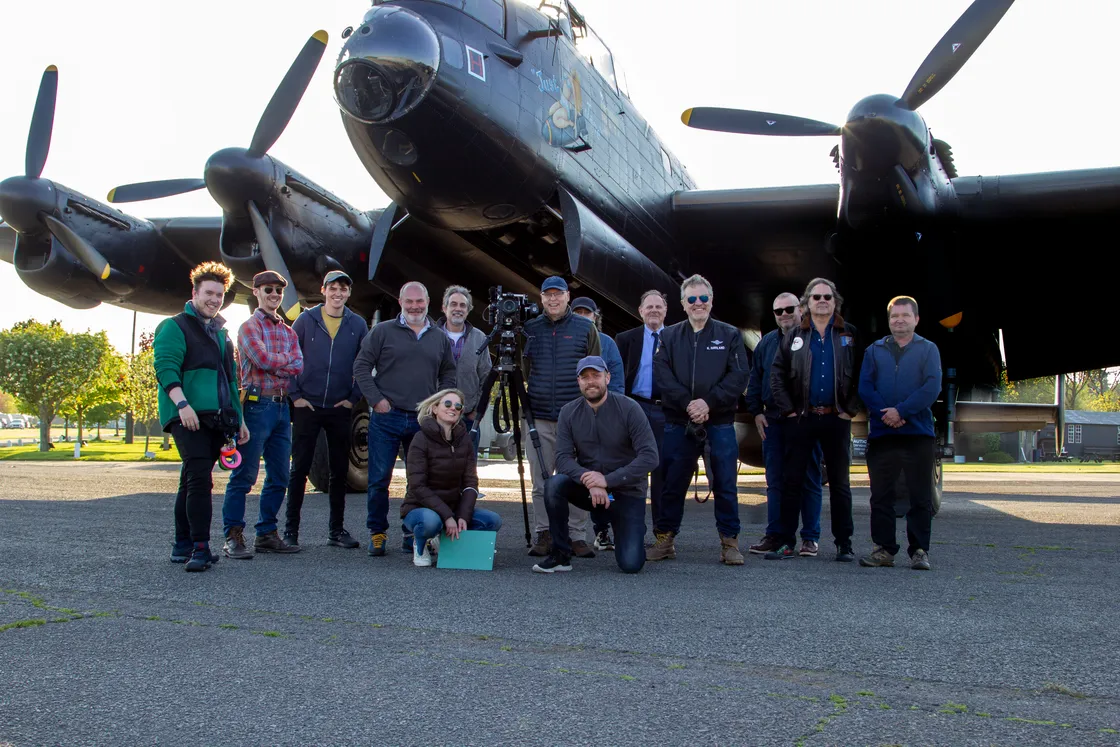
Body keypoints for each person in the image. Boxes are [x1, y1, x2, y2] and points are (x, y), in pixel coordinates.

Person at [153, 262, 248, 572]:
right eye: (208, 293)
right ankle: (200, 548)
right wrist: (182, 406)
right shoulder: (174, 326)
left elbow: (231, 380)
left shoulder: (221, 333)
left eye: (219, 295)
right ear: (194, 293)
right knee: (200, 481)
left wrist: (240, 419)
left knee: (190, 480)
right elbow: (165, 368)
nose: (214, 299)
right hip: (186, 415)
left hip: (216, 418)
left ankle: (181, 545)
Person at [649, 275, 749, 565]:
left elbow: (739, 375)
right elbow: (662, 375)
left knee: (726, 484)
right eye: (691, 299)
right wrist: (688, 404)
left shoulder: (730, 334)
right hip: (679, 423)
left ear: (711, 301)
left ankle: (729, 543)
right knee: (672, 483)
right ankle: (665, 539)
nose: (698, 304)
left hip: (718, 423)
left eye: (703, 298)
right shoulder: (668, 337)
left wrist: (709, 402)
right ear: (683, 303)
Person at [354, 281, 456, 557]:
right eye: (409, 301)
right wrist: (376, 400)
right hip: (387, 417)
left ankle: (413, 533)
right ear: (400, 302)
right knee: (378, 479)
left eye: (419, 302)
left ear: (427, 302)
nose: (414, 306)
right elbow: (362, 366)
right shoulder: (382, 331)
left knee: (419, 481)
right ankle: (377, 533)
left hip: (422, 421)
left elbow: (449, 373)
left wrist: (438, 402)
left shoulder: (439, 337)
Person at [532, 357, 659, 574]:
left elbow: (650, 457)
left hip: (625, 491)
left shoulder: (630, 408)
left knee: (631, 564)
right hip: (589, 490)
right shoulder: (569, 412)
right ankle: (561, 554)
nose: (591, 382)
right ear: (578, 381)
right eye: (585, 377)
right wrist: (589, 479)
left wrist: (608, 480)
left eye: (596, 375)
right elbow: (563, 458)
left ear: (607, 378)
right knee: (554, 484)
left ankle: (629, 527)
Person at [767, 277, 862, 562]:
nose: (822, 301)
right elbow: (777, 375)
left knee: (840, 484)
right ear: (807, 302)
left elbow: (861, 375)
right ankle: (785, 542)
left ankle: (844, 543)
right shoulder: (794, 335)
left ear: (836, 302)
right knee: (791, 481)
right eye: (816, 297)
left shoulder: (850, 335)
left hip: (836, 419)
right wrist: (789, 411)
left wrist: (850, 410)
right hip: (802, 419)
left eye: (827, 297)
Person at [221, 270, 304, 558]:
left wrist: (278, 363)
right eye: (268, 290)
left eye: (278, 291)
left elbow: (299, 365)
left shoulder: (289, 331)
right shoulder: (248, 328)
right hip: (255, 406)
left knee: (280, 475)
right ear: (256, 292)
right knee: (244, 476)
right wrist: (283, 362)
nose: (274, 296)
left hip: (282, 408)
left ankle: (266, 532)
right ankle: (233, 535)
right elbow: (262, 359)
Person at [284, 270, 369, 551]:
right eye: (333, 288)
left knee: (338, 471)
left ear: (348, 293)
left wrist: (353, 397)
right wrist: (294, 395)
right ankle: (291, 531)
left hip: (339, 406)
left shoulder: (357, 324)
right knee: (300, 469)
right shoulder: (305, 321)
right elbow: (289, 358)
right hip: (307, 405)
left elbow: (364, 364)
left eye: (343, 289)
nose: (338, 293)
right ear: (323, 290)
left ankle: (336, 530)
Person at [858, 296, 942, 571]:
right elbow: (865, 388)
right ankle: (883, 549)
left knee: (920, 496)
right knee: (881, 495)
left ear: (916, 319)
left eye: (905, 316)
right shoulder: (874, 351)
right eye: (895, 316)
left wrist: (902, 412)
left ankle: (919, 551)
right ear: (889, 320)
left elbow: (931, 387)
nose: (900, 320)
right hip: (883, 435)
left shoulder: (929, 350)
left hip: (918, 434)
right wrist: (887, 414)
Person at [521, 276, 601, 559]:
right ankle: (544, 533)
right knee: (541, 481)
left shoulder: (585, 328)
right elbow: (524, 368)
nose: (553, 300)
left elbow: (594, 371)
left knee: (577, 479)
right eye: (547, 295)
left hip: (577, 419)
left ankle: (576, 535)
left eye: (558, 295)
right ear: (541, 298)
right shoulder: (529, 329)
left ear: (568, 296)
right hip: (539, 417)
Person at [745, 293, 825, 557]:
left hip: (805, 418)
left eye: (789, 309)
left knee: (809, 479)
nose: (784, 315)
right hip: (774, 420)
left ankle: (810, 538)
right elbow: (755, 380)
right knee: (775, 481)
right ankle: (775, 535)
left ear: (801, 309)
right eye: (778, 311)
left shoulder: (817, 338)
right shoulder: (766, 343)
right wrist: (756, 412)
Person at [401, 388, 503, 567]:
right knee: (431, 522)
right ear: (434, 408)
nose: (453, 408)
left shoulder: (465, 440)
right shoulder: (420, 439)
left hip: (453, 506)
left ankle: (443, 540)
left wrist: (463, 514)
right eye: (447, 404)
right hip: (420, 508)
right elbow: (417, 486)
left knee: (492, 521)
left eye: (458, 406)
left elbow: (471, 482)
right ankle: (420, 542)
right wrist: (448, 516)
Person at [571, 295, 624, 551]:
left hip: (604, 418)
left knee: (605, 474)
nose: (583, 317)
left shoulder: (607, 343)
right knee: (579, 476)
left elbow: (618, 383)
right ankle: (591, 531)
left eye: (587, 313)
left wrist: (615, 417)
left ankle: (609, 527)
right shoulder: (567, 341)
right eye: (577, 313)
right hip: (575, 419)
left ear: (596, 317)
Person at [615, 290, 668, 533]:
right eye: (649, 307)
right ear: (640, 311)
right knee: (631, 470)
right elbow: (616, 377)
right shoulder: (626, 339)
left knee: (661, 472)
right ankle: (629, 531)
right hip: (634, 408)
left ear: (666, 310)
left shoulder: (677, 338)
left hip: (665, 411)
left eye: (659, 306)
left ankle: (661, 533)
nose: (654, 310)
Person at [438, 285, 493, 448]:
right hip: (435, 419)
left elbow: (487, 379)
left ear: (468, 310)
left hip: (467, 419)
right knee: (436, 468)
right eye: (453, 304)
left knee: (466, 470)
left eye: (462, 305)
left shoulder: (480, 338)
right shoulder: (431, 336)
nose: (458, 309)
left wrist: (476, 412)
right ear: (444, 308)